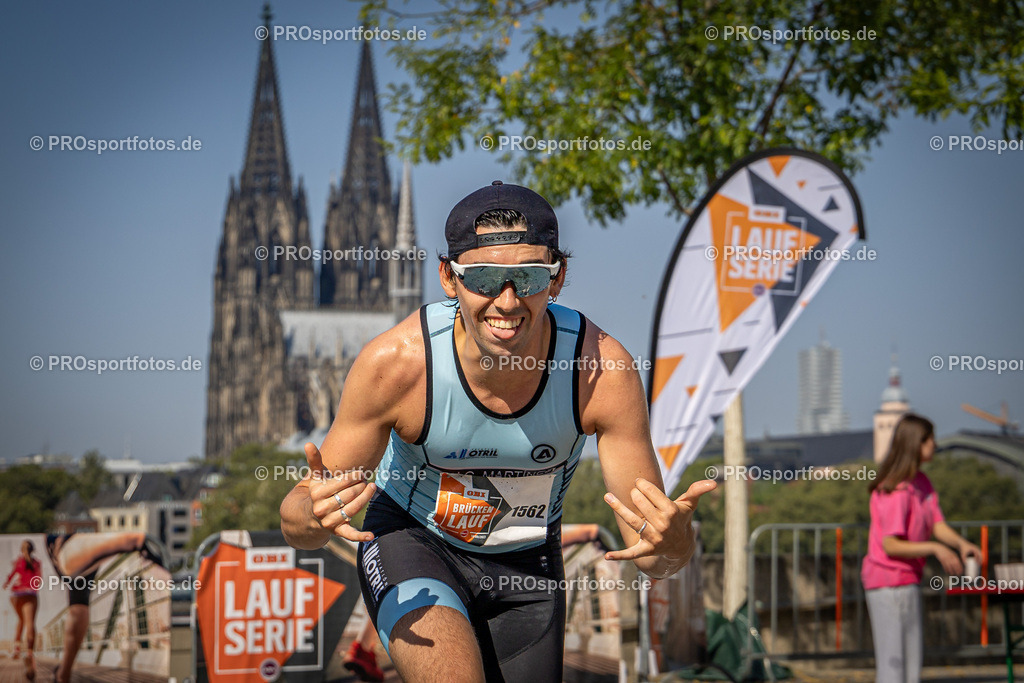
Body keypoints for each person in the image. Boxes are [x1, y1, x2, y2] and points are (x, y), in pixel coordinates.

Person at [280, 181, 715, 683]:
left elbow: (656, 560)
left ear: (557, 278)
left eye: (528, 278)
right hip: (413, 544)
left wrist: (675, 543)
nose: (506, 302)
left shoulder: (601, 372)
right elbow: (299, 522)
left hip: (527, 564)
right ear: (449, 277)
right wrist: (307, 515)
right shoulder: (396, 365)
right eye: (484, 277)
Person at [861, 413, 981, 683]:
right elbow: (891, 545)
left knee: (911, 669)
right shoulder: (895, 490)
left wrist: (961, 544)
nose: (935, 445)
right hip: (887, 583)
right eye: (930, 440)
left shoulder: (922, 483)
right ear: (917, 444)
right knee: (893, 669)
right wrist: (935, 550)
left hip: (908, 581)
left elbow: (936, 524)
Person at [4, 539, 41, 680]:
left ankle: (17, 647)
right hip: (30, 594)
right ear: (33, 550)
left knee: (21, 619)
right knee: (30, 622)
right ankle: (30, 652)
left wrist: (6, 583)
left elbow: (12, 575)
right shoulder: (36, 563)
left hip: (16, 595)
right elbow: (38, 579)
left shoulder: (19, 561)